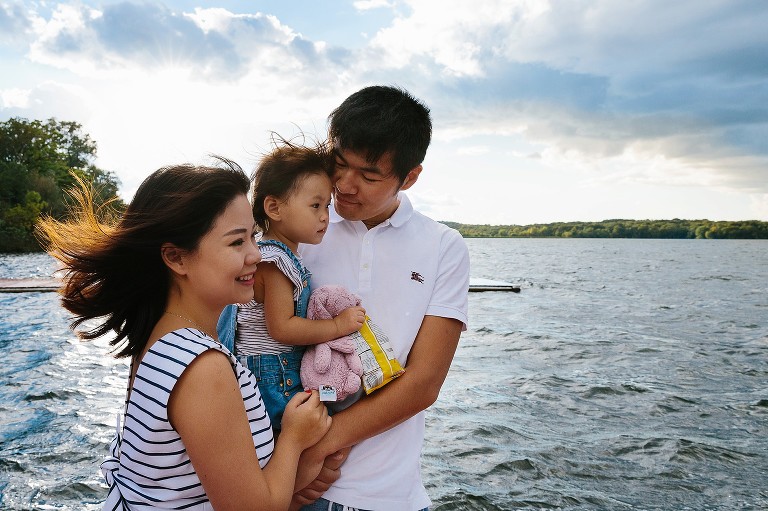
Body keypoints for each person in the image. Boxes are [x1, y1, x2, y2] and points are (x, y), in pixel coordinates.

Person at [37, 159, 332, 511]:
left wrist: (296, 479)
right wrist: (295, 441)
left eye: (253, 236)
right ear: (176, 258)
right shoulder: (202, 367)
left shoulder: (158, 339)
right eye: (237, 242)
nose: (256, 253)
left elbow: (181, 484)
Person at [295, 85, 470, 510]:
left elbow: (424, 383)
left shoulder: (443, 245)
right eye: (339, 165)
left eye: (369, 176)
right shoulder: (299, 227)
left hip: (390, 495)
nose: (345, 185)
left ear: (410, 177)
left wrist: (322, 445)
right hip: (291, 487)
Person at [217, 139, 366, 430]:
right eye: (314, 205)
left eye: (327, 205)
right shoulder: (275, 263)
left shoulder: (279, 255)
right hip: (270, 374)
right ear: (274, 207)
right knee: (289, 441)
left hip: (274, 369)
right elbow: (282, 328)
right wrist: (338, 326)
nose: (325, 215)